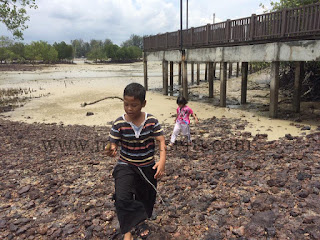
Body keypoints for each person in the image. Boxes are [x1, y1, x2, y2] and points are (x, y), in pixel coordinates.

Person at [105, 82, 166, 240]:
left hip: (147, 165)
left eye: (134, 105)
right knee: (122, 197)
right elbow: (113, 144)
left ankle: (141, 221)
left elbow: (161, 141)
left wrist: (162, 161)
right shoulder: (119, 123)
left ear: (143, 104)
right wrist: (110, 149)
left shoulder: (151, 121)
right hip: (126, 164)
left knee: (146, 197)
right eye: (126, 104)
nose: (129, 108)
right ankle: (127, 232)